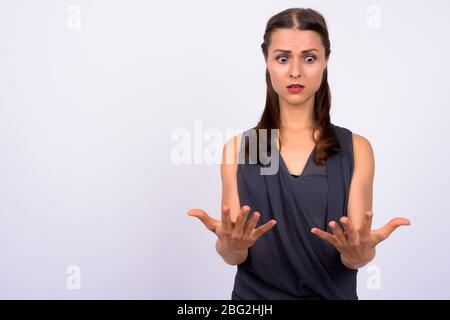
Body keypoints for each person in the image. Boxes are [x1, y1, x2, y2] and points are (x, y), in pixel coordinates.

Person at [187, 7, 410, 300]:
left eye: (309, 58)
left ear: (325, 61)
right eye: (282, 58)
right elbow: (233, 253)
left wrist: (359, 252)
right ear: (266, 61)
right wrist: (231, 246)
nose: (295, 71)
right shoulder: (247, 148)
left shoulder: (354, 148)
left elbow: (355, 254)